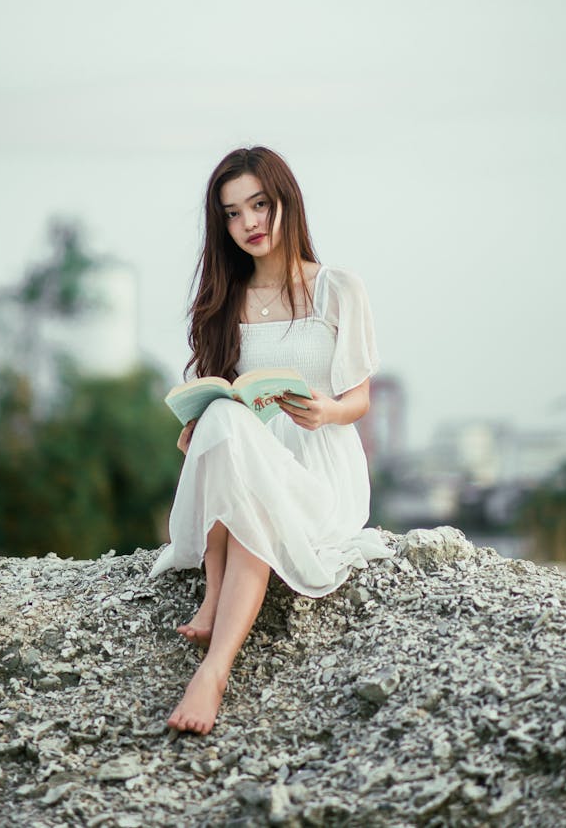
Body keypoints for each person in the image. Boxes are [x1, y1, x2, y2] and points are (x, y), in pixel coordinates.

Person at [149, 145, 390, 734]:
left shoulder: (338, 288)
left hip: (318, 465)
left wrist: (328, 410)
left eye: (259, 205)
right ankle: (213, 591)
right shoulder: (225, 300)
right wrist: (200, 426)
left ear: (287, 201)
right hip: (252, 454)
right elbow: (230, 398)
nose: (248, 223)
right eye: (232, 213)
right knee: (224, 423)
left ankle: (214, 670)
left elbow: (361, 397)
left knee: (253, 479)